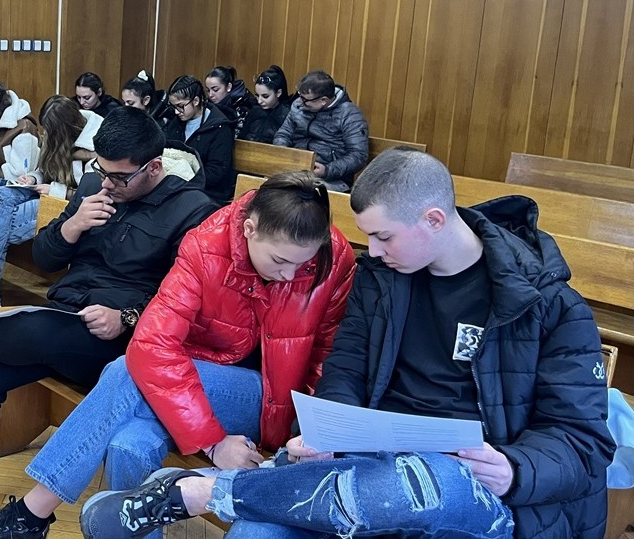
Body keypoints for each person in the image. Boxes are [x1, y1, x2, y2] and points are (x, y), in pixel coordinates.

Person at [80, 148, 614, 539]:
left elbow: (584, 443)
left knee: (437, 478)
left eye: (383, 236)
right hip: (369, 465)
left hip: (481, 493)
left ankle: (202, 491)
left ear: (433, 220)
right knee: (257, 532)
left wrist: (515, 468)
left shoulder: (550, 306)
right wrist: (327, 434)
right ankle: (225, 492)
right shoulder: (382, 281)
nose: (373, 252)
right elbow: (345, 371)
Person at [0, 107, 218, 539]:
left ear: (153, 167)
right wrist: (73, 225)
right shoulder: (94, 188)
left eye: (119, 177)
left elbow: (186, 301)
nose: (107, 184)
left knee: (36, 327)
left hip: (120, 342)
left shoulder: (192, 211)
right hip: (64, 317)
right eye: (101, 171)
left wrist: (127, 318)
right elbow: (43, 258)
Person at [0, 172, 356, 539]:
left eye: (302, 264)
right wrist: (214, 442)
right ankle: (38, 519)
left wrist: (311, 434)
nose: (290, 275)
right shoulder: (206, 244)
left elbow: (330, 358)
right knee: (128, 444)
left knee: (124, 370)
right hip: (196, 383)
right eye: (280, 261)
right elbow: (153, 344)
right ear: (249, 229)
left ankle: (31, 515)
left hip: (274, 401)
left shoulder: (333, 257)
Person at [0, 95, 103, 308]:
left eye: (50, 131)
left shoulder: (95, 146)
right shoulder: (55, 138)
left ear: (63, 129)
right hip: (43, 191)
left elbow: (92, 193)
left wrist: (55, 190)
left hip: (66, 204)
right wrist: (33, 178)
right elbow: (43, 170)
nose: (45, 135)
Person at [273, 69, 369, 192]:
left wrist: (327, 170)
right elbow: (283, 133)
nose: (301, 102)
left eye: (305, 100)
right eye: (300, 96)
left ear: (323, 100)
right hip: (296, 170)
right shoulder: (298, 105)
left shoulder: (349, 114)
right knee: (269, 187)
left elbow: (358, 156)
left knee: (296, 193)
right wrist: (283, 153)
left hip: (332, 178)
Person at [163, 75, 235, 204]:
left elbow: (217, 171)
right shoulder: (176, 123)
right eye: (173, 107)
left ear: (196, 101)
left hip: (208, 192)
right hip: (179, 186)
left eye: (180, 106)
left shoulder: (220, 128)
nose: (176, 112)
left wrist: (185, 179)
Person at [240, 64, 291, 144]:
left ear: (278, 93)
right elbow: (241, 139)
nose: (259, 101)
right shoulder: (255, 110)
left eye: (265, 96)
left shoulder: (287, 115)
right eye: (257, 95)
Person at [205, 65, 256, 137]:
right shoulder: (206, 105)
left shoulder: (244, 106)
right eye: (208, 90)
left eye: (215, 90)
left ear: (229, 87)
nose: (210, 95)